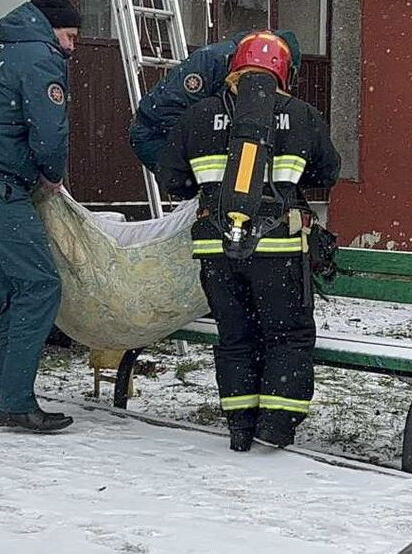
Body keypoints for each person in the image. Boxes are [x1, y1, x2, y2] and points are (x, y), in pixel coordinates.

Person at [158, 31, 341, 452]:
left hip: (216, 248)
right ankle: (276, 427)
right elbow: (327, 173)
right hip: (278, 248)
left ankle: (239, 426)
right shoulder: (302, 114)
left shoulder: (198, 115)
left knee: (235, 335)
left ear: (233, 69)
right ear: (283, 71)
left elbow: (174, 181)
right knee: (287, 334)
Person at [0, 0, 81, 432]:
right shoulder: (40, 55)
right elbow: (49, 129)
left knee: (13, 293)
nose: (72, 47)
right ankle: (16, 402)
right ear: (53, 28)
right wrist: (52, 174)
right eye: (71, 37)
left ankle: (7, 401)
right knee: (39, 287)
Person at [129, 30, 300, 177]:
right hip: (154, 134)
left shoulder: (243, 63)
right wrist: (209, 145)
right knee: (212, 188)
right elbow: (165, 112)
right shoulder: (212, 61)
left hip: (183, 130)